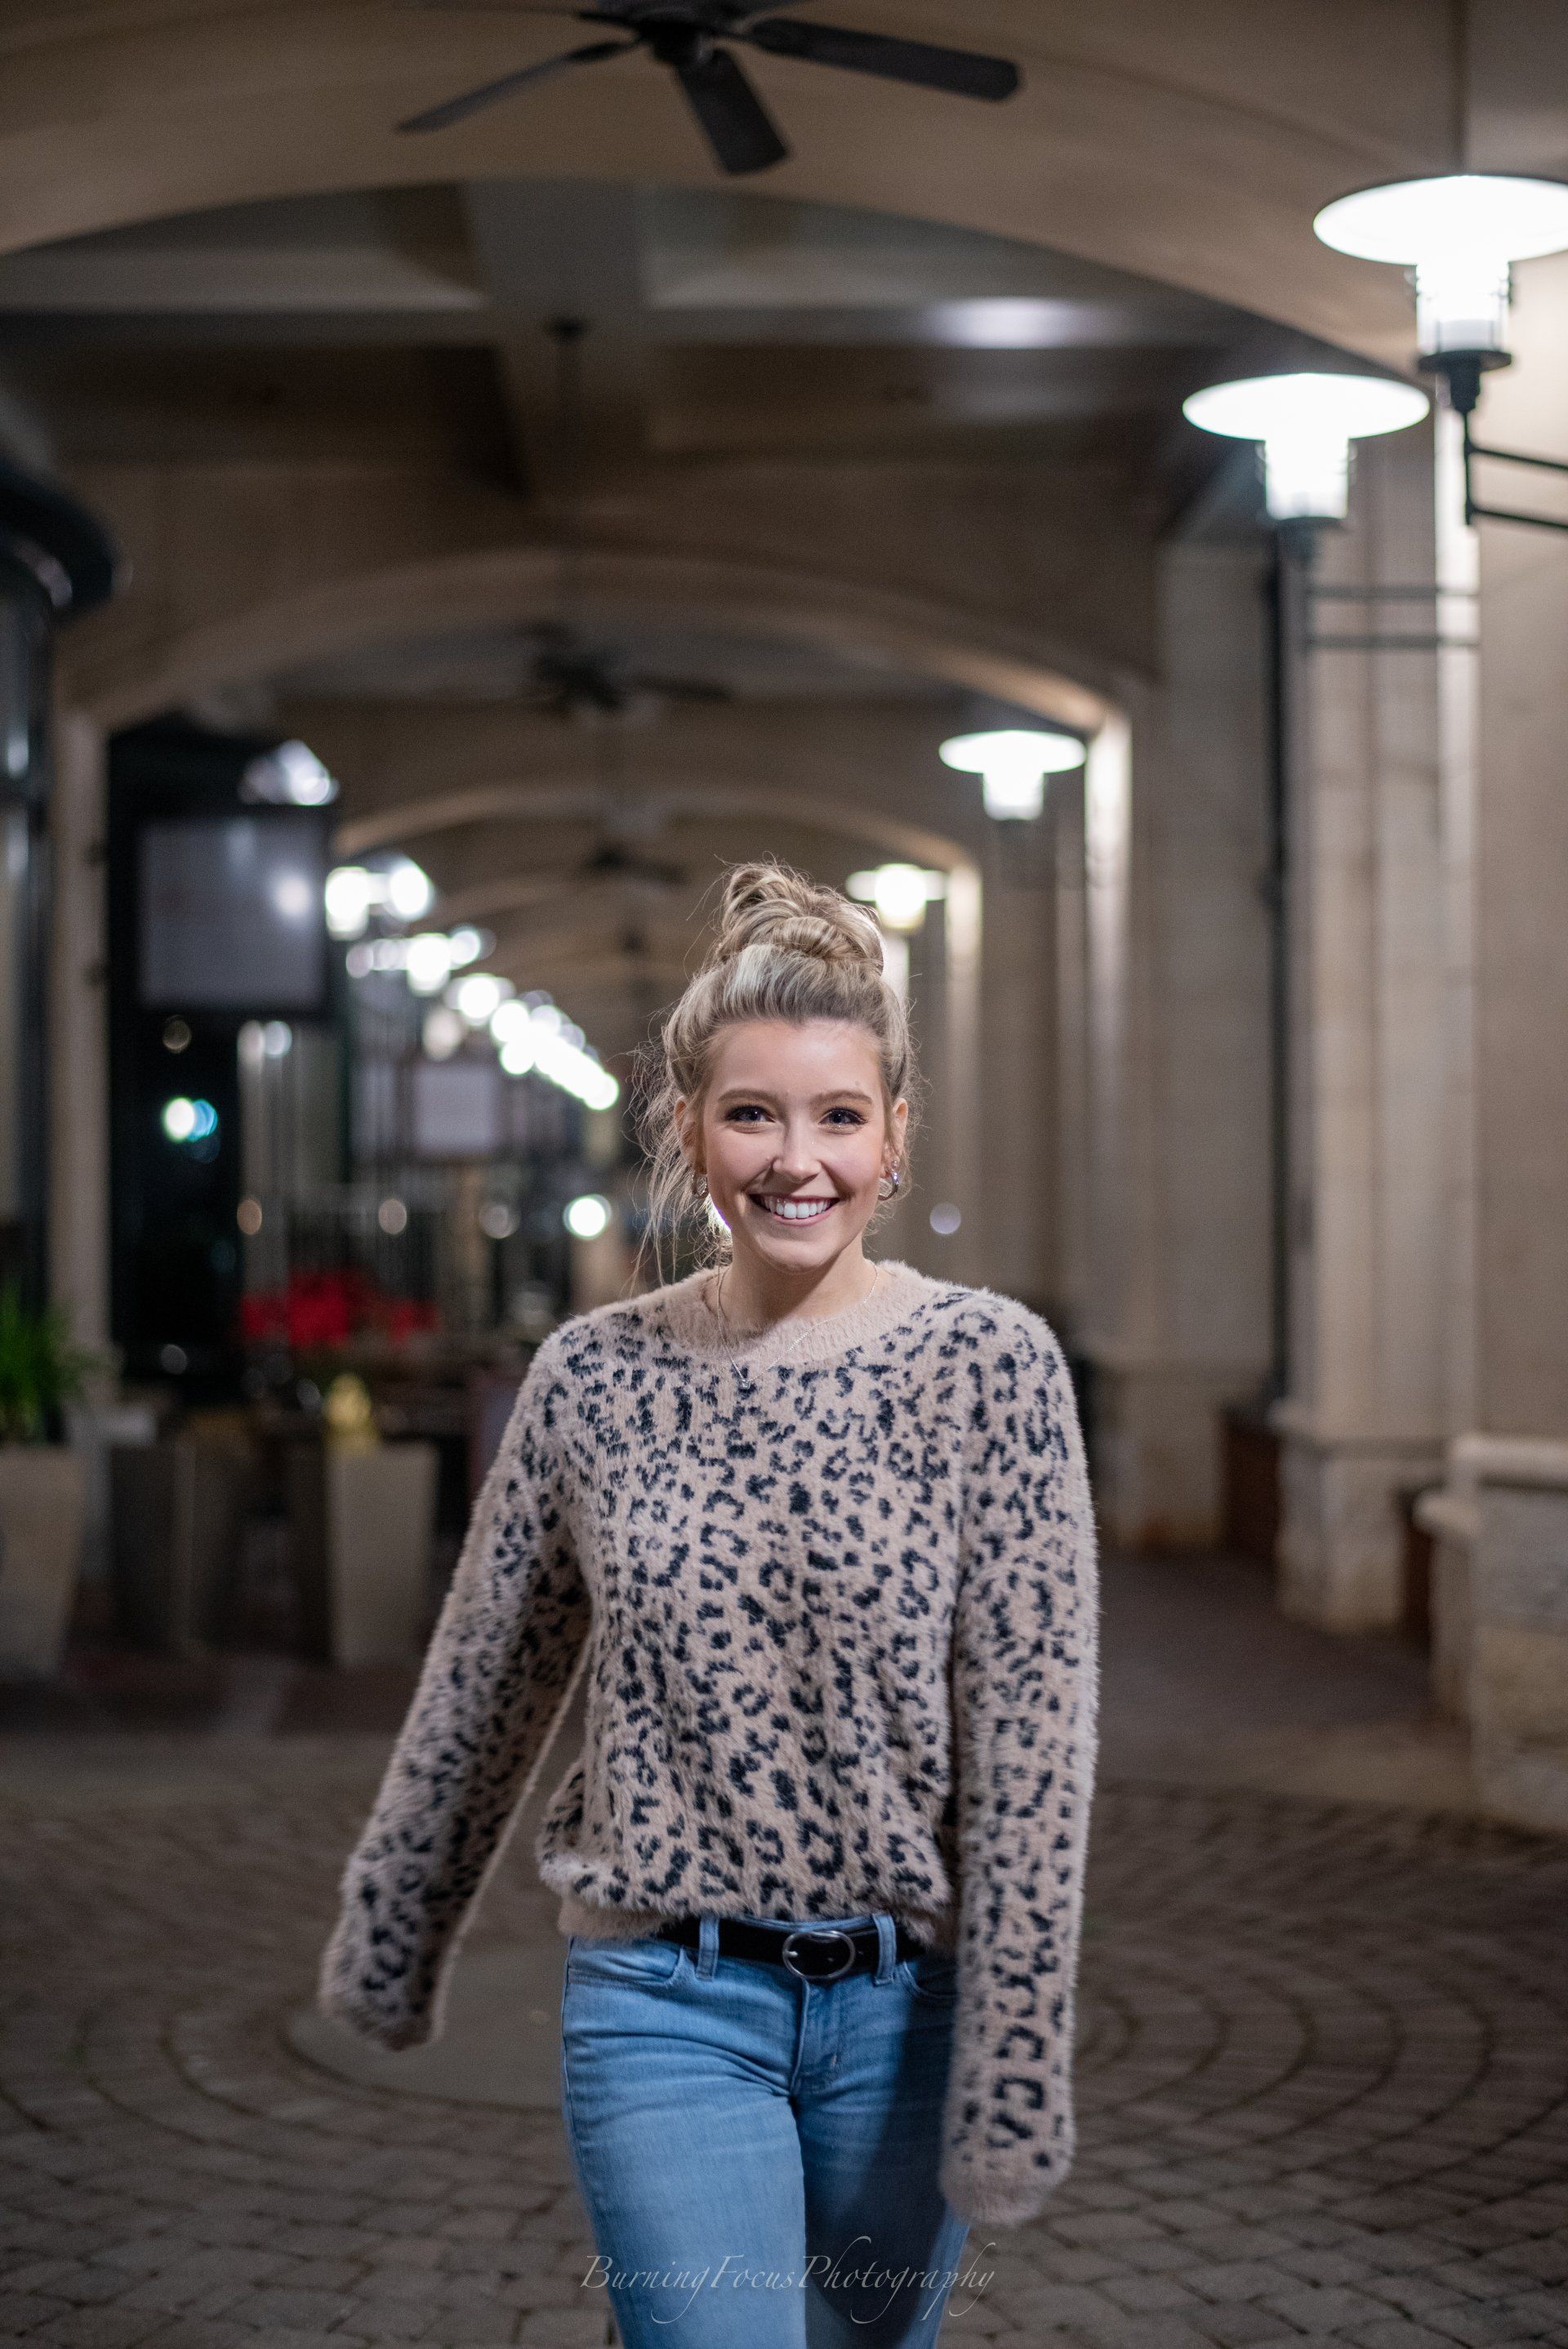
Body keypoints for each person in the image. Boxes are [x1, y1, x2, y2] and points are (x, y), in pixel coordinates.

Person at [319, 858, 1100, 2347]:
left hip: (910, 2012)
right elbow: (487, 1676)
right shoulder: (595, 1379)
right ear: (690, 1128)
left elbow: (1034, 1751)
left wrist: (1014, 2071)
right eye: (753, 1114)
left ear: (895, 1135)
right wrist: (394, 1930)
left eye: (838, 1116)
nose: (796, 1159)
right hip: (662, 2000)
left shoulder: (990, 1371)